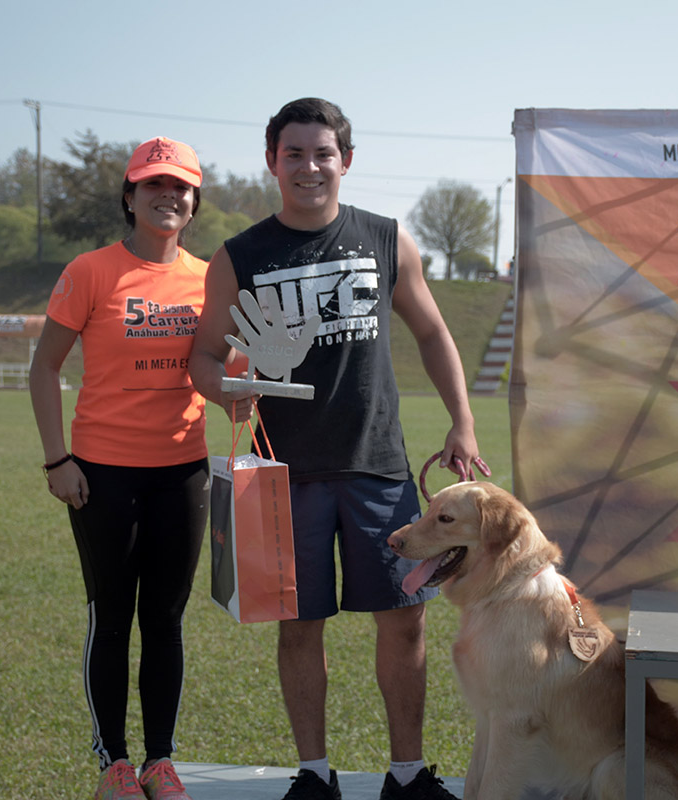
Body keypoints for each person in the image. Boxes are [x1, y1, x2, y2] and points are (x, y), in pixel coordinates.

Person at [190, 98, 483, 800]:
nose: (309, 167)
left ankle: (407, 776)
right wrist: (225, 389)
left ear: (345, 162)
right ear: (273, 162)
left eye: (323, 154)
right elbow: (202, 358)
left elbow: (435, 334)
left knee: (404, 620)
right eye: (294, 154)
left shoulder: (385, 238)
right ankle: (314, 776)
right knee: (299, 629)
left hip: (376, 463)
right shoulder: (241, 256)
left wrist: (463, 422)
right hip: (284, 474)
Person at [30, 136, 247, 800]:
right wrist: (56, 460)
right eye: (154, 185)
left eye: (181, 187)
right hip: (101, 473)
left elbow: (224, 364)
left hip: (181, 473)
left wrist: (248, 379)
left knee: (166, 617)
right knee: (112, 615)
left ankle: (159, 762)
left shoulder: (209, 277)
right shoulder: (91, 271)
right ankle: (114, 765)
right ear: (129, 196)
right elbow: (44, 368)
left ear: (195, 201)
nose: (168, 196)